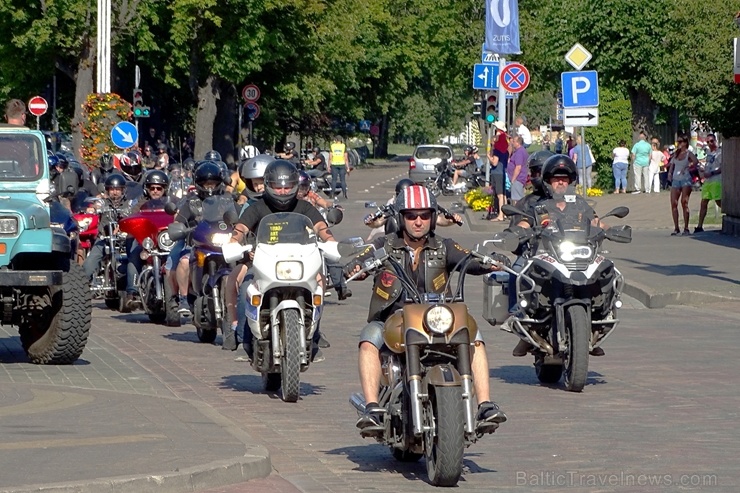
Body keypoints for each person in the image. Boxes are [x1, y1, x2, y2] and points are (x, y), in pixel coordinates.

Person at [350, 185, 507, 435]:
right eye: (411, 216)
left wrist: (491, 263)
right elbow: (361, 259)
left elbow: (469, 259)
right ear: (401, 218)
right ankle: (372, 408)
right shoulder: (384, 245)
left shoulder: (444, 246)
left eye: (424, 215)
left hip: (436, 318)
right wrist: (353, 267)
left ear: (433, 218)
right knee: (369, 339)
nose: (418, 221)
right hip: (394, 319)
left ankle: (485, 404)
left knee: (474, 336)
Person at [229, 160, 336, 361]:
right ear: (269, 186)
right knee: (245, 288)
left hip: (299, 263)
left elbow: (320, 226)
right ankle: (244, 338)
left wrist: (331, 241)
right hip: (262, 262)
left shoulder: (303, 206)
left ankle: (314, 336)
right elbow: (241, 228)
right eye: (277, 187)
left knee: (319, 284)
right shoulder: (258, 207)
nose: (283, 191)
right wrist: (234, 241)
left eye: (287, 187)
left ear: (295, 186)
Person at [503, 155, 608, 357]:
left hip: (576, 255)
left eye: (565, 178)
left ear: (570, 181)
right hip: (542, 253)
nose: (561, 182)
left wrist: (611, 229)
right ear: (548, 180)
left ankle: (596, 324)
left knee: (606, 269)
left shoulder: (579, 204)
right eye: (556, 178)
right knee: (517, 270)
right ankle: (520, 321)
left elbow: (595, 221)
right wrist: (515, 233)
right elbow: (524, 223)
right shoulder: (538, 205)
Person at [165, 161, 228, 317]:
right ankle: (183, 298)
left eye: (213, 184)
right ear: (199, 184)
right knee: (183, 261)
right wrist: (182, 228)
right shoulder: (191, 202)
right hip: (195, 243)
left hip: (222, 243)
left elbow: (238, 217)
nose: (210, 188)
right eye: (206, 184)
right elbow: (178, 221)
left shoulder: (226, 200)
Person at [82, 174, 135, 301]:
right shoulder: (102, 203)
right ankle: (82, 290)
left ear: (123, 190)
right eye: (112, 189)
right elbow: (94, 206)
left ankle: (132, 291)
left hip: (124, 239)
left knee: (134, 258)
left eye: (117, 189)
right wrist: (92, 209)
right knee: (89, 264)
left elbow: (135, 212)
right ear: (107, 190)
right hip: (104, 238)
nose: (115, 192)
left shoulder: (129, 204)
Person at [667, 135, 699, 236]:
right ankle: (676, 227)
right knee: (673, 203)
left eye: (681, 142)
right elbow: (672, 165)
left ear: (685, 143)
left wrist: (688, 166)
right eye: (678, 142)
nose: (679, 144)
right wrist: (669, 174)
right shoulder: (676, 154)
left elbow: (695, 161)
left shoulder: (688, 153)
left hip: (685, 179)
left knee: (684, 202)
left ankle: (686, 227)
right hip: (676, 180)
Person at [695, 134, 722, 233]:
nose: (710, 143)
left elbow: (722, 168)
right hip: (708, 181)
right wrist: (702, 170)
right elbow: (708, 164)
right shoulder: (709, 153)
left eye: (711, 141)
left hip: (716, 180)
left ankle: (732, 214)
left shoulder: (720, 153)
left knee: (718, 202)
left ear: (715, 141)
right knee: (703, 202)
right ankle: (699, 226)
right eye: (708, 142)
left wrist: (711, 173)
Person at [487, 121, 509, 221]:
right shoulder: (505, 149)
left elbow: (495, 162)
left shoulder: (498, 149)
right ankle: (504, 214)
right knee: (503, 194)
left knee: (500, 195)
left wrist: (489, 157)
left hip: (497, 172)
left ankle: (500, 215)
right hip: (502, 172)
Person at [507, 136, 529, 202]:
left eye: (514, 141)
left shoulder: (519, 152)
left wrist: (513, 179)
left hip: (518, 178)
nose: (512, 143)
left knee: (517, 200)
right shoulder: (519, 151)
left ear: (518, 143)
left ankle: (517, 212)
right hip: (518, 178)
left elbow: (518, 167)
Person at [329, 136, 350, 201]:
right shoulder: (343, 146)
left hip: (334, 164)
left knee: (334, 180)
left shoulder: (332, 146)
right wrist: (348, 167)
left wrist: (328, 166)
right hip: (342, 164)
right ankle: (344, 194)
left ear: (336, 140)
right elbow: (346, 158)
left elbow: (330, 157)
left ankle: (332, 193)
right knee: (342, 180)